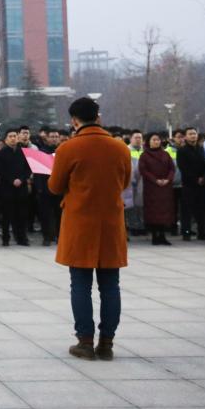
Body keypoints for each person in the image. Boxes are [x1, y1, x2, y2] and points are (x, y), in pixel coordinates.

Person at [49, 97, 131, 362]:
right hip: (111, 223)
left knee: (80, 285)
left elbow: (54, 186)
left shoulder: (68, 148)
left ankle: (85, 342)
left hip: (80, 223)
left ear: (74, 121)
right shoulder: (120, 147)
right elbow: (124, 182)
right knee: (111, 285)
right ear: (98, 117)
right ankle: (106, 343)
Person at [0, 128, 32, 246]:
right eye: (10, 136)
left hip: (21, 187)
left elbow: (28, 169)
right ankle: (6, 238)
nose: (13, 138)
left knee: (22, 214)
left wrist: (21, 179)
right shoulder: (0, 154)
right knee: (7, 215)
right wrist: (12, 180)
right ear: (6, 139)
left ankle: (22, 238)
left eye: (15, 136)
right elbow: (0, 170)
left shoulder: (24, 152)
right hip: (6, 188)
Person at [138, 133, 177, 245]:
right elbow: (143, 170)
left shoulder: (165, 154)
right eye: (154, 140)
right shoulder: (144, 155)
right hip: (152, 187)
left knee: (165, 211)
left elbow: (172, 168)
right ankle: (155, 236)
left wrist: (168, 179)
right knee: (153, 212)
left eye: (158, 140)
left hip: (165, 187)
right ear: (149, 142)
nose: (156, 142)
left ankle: (163, 236)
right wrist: (155, 180)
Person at [176, 127, 205, 241]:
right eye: (190, 134)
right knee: (187, 210)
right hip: (188, 184)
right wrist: (195, 178)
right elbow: (183, 167)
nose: (193, 136)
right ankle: (186, 232)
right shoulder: (182, 151)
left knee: (202, 209)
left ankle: (202, 232)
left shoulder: (202, 150)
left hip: (202, 184)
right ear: (185, 137)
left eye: (194, 133)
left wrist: (204, 177)